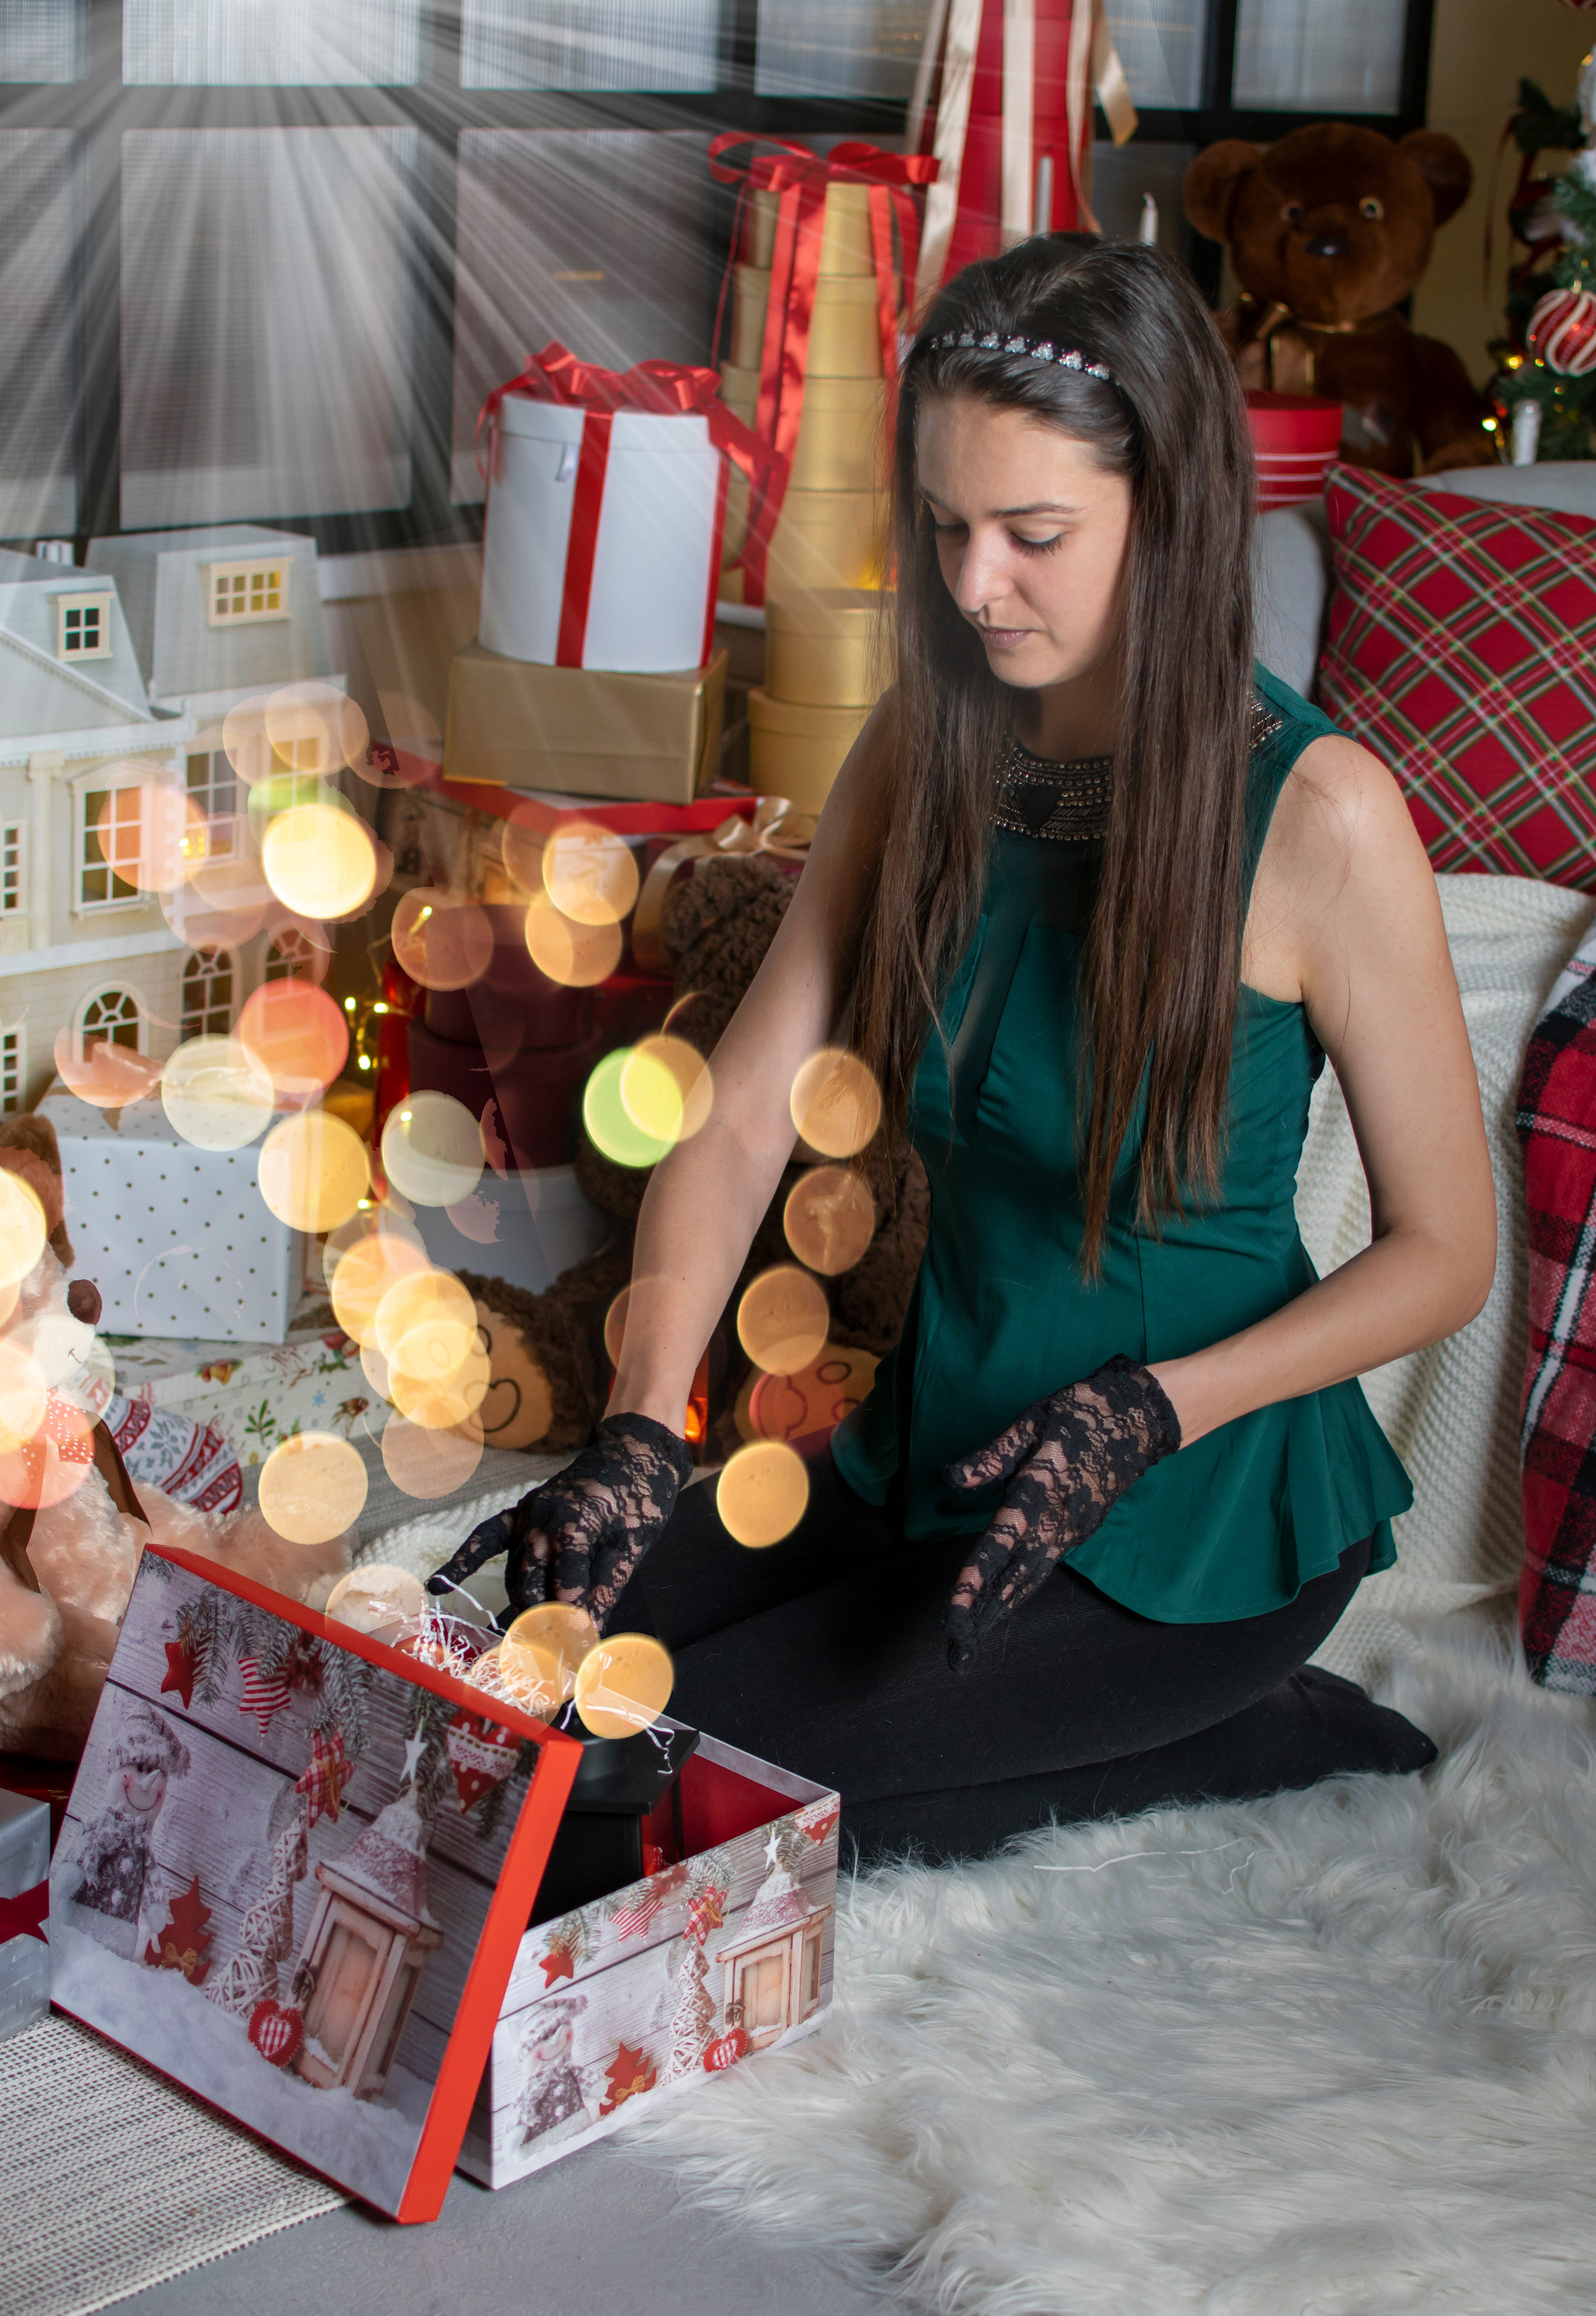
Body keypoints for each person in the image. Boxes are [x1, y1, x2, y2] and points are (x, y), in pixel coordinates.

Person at [434, 236, 1493, 1862]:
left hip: (1188, 1515)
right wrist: (643, 1426)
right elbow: (740, 1116)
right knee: (493, 1664)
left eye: (1034, 536)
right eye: (944, 528)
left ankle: (1241, 1726)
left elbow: (1445, 1254)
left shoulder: (1325, 815)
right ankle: (1066, 1732)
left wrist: (1153, 1410)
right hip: (921, 1459)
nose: (975, 585)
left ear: (1168, 513)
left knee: (623, 1800)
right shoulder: (924, 748)